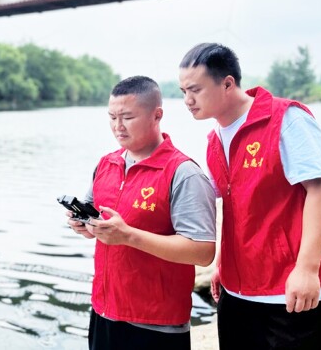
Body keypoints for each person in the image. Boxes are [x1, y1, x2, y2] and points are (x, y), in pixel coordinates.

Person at [178, 43, 321, 350]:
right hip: (238, 294)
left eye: (195, 90)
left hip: (292, 291)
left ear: (227, 83)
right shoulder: (215, 139)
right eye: (183, 91)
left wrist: (307, 269)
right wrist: (223, 265)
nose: (187, 100)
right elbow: (237, 208)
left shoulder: (286, 118)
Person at [67, 75, 216, 350]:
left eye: (127, 117)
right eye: (112, 117)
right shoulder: (106, 164)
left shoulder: (183, 173)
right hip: (103, 312)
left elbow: (203, 251)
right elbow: (98, 224)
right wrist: (84, 225)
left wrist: (129, 236)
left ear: (157, 115)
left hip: (156, 325)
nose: (118, 126)